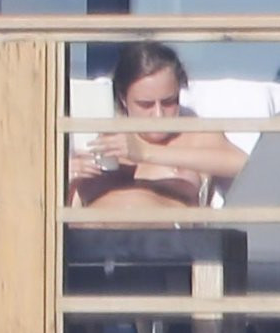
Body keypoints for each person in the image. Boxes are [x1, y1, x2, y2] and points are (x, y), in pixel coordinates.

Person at [69, 42, 247, 208]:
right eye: (146, 105)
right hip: (93, 229)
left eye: (169, 102)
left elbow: (245, 166)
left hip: (165, 230)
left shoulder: (195, 134)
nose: (158, 115)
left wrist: (146, 152)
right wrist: (65, 177)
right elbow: (71, 207)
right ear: (123, 99)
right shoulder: (101, 135)